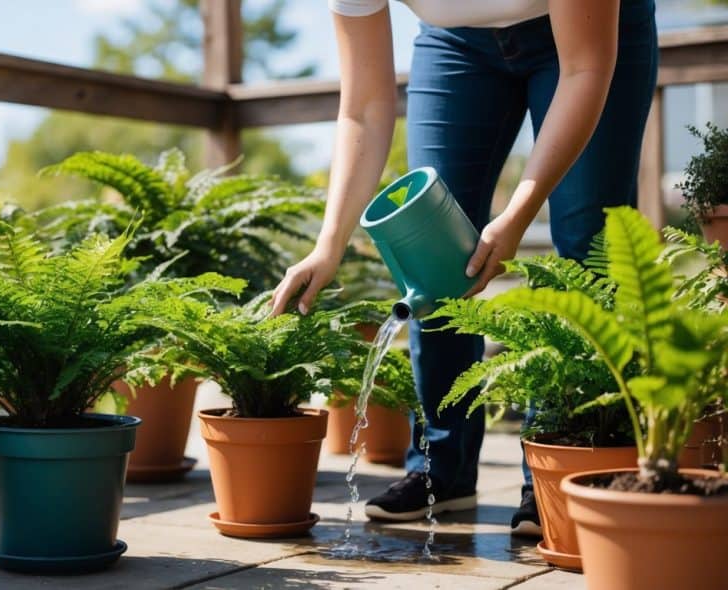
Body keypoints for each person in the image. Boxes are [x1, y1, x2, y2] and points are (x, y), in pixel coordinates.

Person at [271, 0, 657, 536]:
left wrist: (517, 215)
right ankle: (440, 469)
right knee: (429, 249)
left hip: (589, 39)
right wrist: (328, 244)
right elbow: (362, 106)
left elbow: (585, 69)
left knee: (586, 247)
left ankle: (562, 466)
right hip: (456, 46)